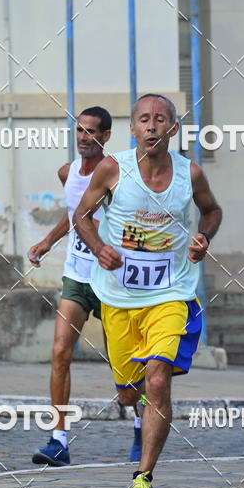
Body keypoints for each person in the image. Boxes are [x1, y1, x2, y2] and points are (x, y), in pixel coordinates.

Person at [73, 93, 222, 488]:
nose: (152, 126)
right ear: (133, 129)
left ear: (172, 129)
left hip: (170, 293)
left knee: (158, 379)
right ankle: (143, 408)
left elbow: (211, 211)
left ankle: (143, 478)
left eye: (160, 119)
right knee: (128, 394)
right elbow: (81, 217)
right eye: (144, 119)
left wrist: (203, 238)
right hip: (119, 297)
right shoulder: (112, 169)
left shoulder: (188, 174)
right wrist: (99, 246)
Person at [27, 106, 145, 466]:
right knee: (61, 351)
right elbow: (74, 211)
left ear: (106, 136)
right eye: (79, 130)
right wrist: (47, 242)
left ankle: (142, 426)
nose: (83, 137)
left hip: (111, 279)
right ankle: (58, 440)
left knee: (123, 365)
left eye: (91, 132)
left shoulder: (119, 173)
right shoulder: (67, 172)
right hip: (77, 275)